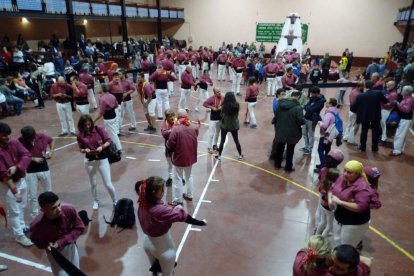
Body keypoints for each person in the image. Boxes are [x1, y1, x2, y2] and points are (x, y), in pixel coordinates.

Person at [136, 176, 207, 275]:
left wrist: (170, 208)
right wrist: (201, 222)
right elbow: (184, 216)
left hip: (147, 243)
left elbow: (158, 211)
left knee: (154, 271)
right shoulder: (160, 210)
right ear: (154, 193)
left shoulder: (142, 203)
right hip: (164, 249)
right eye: (161, 190)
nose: (163, 192)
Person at [30, 192, 85, 276]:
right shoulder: (37, 225)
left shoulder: (68, 209)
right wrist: (46, 245)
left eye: (59, 204)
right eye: (53, 208)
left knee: (75, 272)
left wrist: (61, 242)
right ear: (43, 210)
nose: (59, 209)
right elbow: (37, 241)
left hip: (70, 247)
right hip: (55, 254)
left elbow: (79, 227)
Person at [329, 160, 382, 248]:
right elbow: (332, 188)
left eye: (349, 172)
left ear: (358, 174)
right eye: (345, 170)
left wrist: (340, 202)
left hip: (354, 223)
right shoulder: (343, 178)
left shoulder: (362, 187)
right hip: (339, 218)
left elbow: (360, 207)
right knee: (337, 240)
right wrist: (330, 200)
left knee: (346, 246)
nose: (345, 173)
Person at [0, 123, 33, 247]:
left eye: (8, 134)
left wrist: (17, 167)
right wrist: (15, 191)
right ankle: (19, 235)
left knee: (22, 206)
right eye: (3, 136)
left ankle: (22, 226)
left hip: (21, 179)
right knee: (14, 211)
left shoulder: (14, 143)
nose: (7, 137)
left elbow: (27, 155)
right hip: (7, 184)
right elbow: (4, 175)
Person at [77, 115, 118, 210]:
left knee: (108, 183)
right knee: (93, 184)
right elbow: (81, 148)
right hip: (89, 161)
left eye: (89, 124)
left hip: (102, 159)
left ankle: (115, 200)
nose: (87, 126)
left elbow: (108, 141)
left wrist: (102, 147)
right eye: (85, 125)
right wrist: (84, 150)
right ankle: (95, 201)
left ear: (91, 122)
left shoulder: (99, 129)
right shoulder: (80, 135)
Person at [18, 126, 54, 219]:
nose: (31, 140)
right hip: (30, 171)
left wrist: (51, 151)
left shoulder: (41, 136)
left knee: (48, 192)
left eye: (32, 137)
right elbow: (18, 154)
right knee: (32, 195)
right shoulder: (20, 141)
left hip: (44, 168)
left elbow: (51, 140)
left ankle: (51, 211)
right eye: (28, 139)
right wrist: (33, 159)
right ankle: (35, 216)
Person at [167, 109, 199, 206]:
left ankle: (178, 200)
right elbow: (196, 135)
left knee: (177, 179)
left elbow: (170, 144)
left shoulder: (176, 128)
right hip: (191, 156)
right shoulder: (193, 127)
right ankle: (189, 195)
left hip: (180, 157)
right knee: (189, 176)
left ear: (178, 116)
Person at [351, 80, 387, 152]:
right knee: (375, 131)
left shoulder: (360, 95)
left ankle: (362, 146)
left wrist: (356, 111)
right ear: (373, 85)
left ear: (365, 86)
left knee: (364, 131)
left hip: (364, 116)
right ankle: (375, 148)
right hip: (375, 116)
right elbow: (385, 101)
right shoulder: (378, 93)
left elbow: (354, 107)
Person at [273, 91, 306, 173]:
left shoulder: (281, 105)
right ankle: (288, 168)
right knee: (290, 150)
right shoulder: (298, 108)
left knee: (280, 148)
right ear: (298, 97)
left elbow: (276, 116)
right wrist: (304, 120)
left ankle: (277, 165)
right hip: (292, 132)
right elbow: (301, 121)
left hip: (281, 130)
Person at [215, 92, 244, 161]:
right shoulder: (237, 105)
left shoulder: (224, 106)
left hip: (225, 125)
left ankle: (219, 156)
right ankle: (240, 155)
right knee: (236, 141)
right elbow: (237, 114)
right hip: (234, 125)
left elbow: (221, 115)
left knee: (222, 141)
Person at [94, 84, 122, 152]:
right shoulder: (112, 95)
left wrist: (94, 120)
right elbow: (116, 105)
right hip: (114, 116)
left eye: (99, 87)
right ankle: (113, 146)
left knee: (113, 134)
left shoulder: (102, 99)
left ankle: (118, 148)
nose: (98, 88)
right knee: (110, 132)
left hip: (108, 118)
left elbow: (102, 112)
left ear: (102, 89)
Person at [315, 98, 339, 172]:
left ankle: (322, 167)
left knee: (320, 149)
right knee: (327, 150)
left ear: (331, 104)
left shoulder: (329, 113)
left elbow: (325, 126)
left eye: (328, 102)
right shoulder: (335, 111)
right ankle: (326, 164)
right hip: (331, 134)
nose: (326, 103)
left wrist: (319, 122)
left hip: (326, 135)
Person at [316, 168, 341, 237]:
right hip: (328, 207)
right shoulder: (333, 186)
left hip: (322, 204)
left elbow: (320, 190)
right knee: (329, 225)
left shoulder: (325, 182)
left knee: (323, 221)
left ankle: (316, 235)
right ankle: (321, 239)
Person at [301, 86, 326, 155]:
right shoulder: (313, 98)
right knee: (304, 133)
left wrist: (308, 108)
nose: (311, 95)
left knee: (311, 134)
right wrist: (308, 108)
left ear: (316, 93)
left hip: (313, 120)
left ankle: (310, 148)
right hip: (306, 117)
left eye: (312, 93)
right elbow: (305, 106)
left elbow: (311, 109)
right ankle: (306, 146)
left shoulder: (321, 101)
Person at [391, 85, 414, 156]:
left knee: (399, 134)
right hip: (404, 118)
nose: (401, 91)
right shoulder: (406, 98)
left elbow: (406, 110)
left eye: (403, 90)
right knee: (402, 134)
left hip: (405, 118)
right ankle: (400, 149)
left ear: (406, 92)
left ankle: (397, 150)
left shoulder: (410, 99)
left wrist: (397, 104)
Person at [203, 87, 224, 154]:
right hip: (213, 118)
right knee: (211, 134)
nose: (219, 93)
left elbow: (226, 104)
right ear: (214, 93)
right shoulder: (211, 99)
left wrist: (222, 107)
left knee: (217, 133)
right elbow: (204, 104)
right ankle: (209, 147)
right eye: (218, 92)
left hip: (220, 118)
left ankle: (214, 145)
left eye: (220, 91)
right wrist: (212, 107)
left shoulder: (223, 98)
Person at [160, 110, 177, 187]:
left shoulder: (177, 121)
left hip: (177, 146)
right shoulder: (164, 124)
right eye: (170, 117)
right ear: (166, 118)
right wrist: (171, 130)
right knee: (170, 164)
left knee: (178, 163)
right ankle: (170, 178)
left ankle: (180, 177)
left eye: (173, 116)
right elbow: (164, 133)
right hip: (169, 146)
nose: (173, 118)